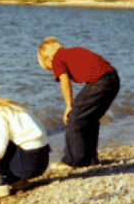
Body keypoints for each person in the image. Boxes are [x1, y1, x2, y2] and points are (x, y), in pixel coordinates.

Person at [37, 36, 120, 168]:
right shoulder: (72, 52)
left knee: (74, 118)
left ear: (47, 58)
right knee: (90, 119)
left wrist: (69, 105)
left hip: (100, 82)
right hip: (113, 79)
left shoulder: (57, 58)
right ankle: (90, 158)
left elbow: (64, 81)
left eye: (49, 68)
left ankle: (72, 161)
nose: (52, 70)